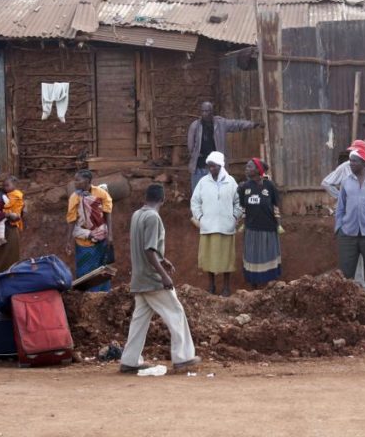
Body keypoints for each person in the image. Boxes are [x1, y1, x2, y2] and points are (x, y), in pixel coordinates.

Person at [119, 184, 201, 373]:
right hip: (151, 278)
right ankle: (183, 357)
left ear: (145, 197)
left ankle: (130, 361)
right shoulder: (153, 217)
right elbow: (149, 250)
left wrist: (163, 260)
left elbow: (145, 247)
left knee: (139, 320)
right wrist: (164, 276)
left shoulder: (137, 215)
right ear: (163, 199)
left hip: (139, 278)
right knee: (176, 313)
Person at [322, 140, 365, 289]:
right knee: (347, 270)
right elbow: (340, 208)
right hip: (349, 229)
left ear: (364, 160)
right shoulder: (346, 180)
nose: (350, 163)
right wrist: (339, 228)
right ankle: (356, 289)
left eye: (354, 160)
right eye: (350, 160)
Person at [190, 151, 242, 296]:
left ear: (221, 166)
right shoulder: (203, 182)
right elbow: (195, 202)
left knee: (227, 259)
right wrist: (200, 217)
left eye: (214, 166)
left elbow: (239, 202)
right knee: (209, 259)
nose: (211, 169)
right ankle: (211, 286)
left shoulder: (230, 182)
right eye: (209, 166)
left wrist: (234, 216)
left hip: (226, 226)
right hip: (208, 227)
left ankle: (226, 287)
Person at [187, 101, 263, 192]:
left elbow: (237, 124)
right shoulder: (195, 126)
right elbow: (190, 144)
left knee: (217, 191)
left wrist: (253, 124)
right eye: (202, 111)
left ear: (212, 112)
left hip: (216, 166)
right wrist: (195, 155)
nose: (204, 114)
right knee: (197, 191)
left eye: (207, 111)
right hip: (200, 166)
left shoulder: (220, 123)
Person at [65, 169, 114, 292]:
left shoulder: (101, 193)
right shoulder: (74, 197)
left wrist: (110, 235)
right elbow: (71, 220)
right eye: (75, 180)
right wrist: (68, 240)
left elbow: (107, 213)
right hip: (83, 240)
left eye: (78, 180)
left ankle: (103, 295)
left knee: (101, 270)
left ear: (87, 181)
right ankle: (87, 297)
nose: (75, 183)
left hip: (101, 238)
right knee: (84, 271)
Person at [237, 158, 282, 287]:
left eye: (249, 167)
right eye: (246, 166)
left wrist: (278, 223)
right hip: (252, 229)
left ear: (258, 170)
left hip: (268, 228)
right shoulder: (244, 187)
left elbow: (276, 205)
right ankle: (254, 287)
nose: (246, 169)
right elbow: (242, 206)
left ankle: (270, 285)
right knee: (253, 256)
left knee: (268, 255)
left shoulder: (269, 185)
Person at [0, 175, 24, 247]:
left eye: (7, 185)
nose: (5, 188)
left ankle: (2, 238)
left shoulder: (15, 194)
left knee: (1, 220)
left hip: (14, 212)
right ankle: (2, 238)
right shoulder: (11, 193)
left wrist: (2, 204)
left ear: (14, 185)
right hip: (12, 212)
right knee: (1, 221)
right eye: (4, 186)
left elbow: (9, 204)